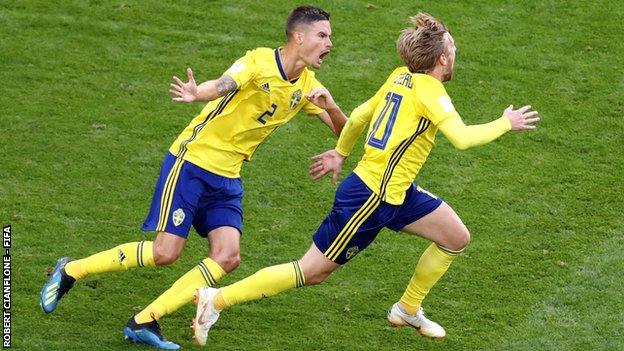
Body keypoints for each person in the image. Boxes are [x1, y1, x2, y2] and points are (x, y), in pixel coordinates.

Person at [191, 12, 540, 346]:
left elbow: (358, 116)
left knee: (455, 237)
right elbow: (463, 138)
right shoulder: (431, 91)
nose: (454, 54)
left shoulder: (399, 76)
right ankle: (215, 299)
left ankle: (407, 308)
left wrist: (341, 153)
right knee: (311, 271)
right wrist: (505, 123)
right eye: (452, 49)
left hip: (397, 191)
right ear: (443, 60)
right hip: (370, 197)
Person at [40, 5, 347, 350]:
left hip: (228, 178)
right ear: (298, 36)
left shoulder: (308, 86)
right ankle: (71, 270)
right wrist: (195, 93)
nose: (329, 43)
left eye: (329, 37)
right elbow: (223, 84)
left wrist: (332, 106)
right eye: (322, 36)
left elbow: (344, 133)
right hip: (192, 163)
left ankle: (144, 320)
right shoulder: (258, 62)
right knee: (165, 253)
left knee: (228, 257)